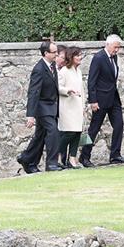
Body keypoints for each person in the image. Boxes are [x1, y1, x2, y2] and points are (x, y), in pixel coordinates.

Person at [17, 40, 62, 173]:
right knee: (53, 132)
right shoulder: (39, 69)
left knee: (40, 136)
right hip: (42, 108)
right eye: (54, 52)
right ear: (45, 53)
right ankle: (52, 163)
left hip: (51, 106)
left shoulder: (52, 66)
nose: (56, 55)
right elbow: (33, 92)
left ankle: (27, 159)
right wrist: (30, 115)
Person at [81, 34, 124, 167]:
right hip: (100, 99)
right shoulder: (99, 57)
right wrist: (93, 100)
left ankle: (115, 155)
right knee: (93, 129)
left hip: (113, 98)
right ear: (108, 44)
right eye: (115, 47)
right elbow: (92, 80)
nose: (117, 50)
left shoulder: (114, 57)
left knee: (119, 125)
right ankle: (84, 156)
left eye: (118, 48)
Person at [57, 46, 86, 168]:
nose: (80, 57)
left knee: (77, 133)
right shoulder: (64, 71)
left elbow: (82, 90)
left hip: (78, 107)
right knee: (68, 133)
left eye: (80, 55)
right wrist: (68, 90)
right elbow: (58, 87)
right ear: (71, 57)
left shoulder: (78, 71)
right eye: (77, 55)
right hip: (67, 107)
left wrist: (84, 105)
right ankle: (57, 157)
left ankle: (72, 159)